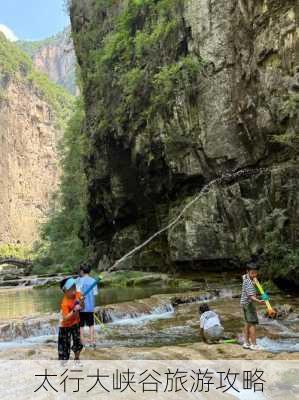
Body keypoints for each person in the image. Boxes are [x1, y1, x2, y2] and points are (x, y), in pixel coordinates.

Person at [241, 262, 266, 350]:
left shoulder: (245, 277)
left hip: (244, 303)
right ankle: (254, 344)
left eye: (256, 273)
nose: (255, 275)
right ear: (247, 272)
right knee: (252, 324)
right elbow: (251, 296)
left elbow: (246, 277)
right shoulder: (249, 283)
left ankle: (246, 343)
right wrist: (259, 301)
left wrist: (254, 281)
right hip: (249, 304)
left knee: (247, 323)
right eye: (252, 273)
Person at [58, 277, 84, 363]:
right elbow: (65, 317)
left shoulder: (78, 294)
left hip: (75, 322)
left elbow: (82, 307)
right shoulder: (64, 303)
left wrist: (82, 302)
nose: (74, 289)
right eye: (71, 288)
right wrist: (74, 310)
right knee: (64, 346)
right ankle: (63, 363)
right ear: (65, 290)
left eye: (74, 286)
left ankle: (77, 358)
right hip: (65, 326)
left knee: (78, 343)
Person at [76, 263, 99, 348]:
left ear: (81, 271)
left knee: (81, 325)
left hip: (81, 307)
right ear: (89, 271)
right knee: (91, 325)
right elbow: (95, 293)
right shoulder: (93, 281)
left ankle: (82, 341)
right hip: (90, 307)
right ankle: (92, 341)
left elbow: (76, 293)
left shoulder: (78, 280)